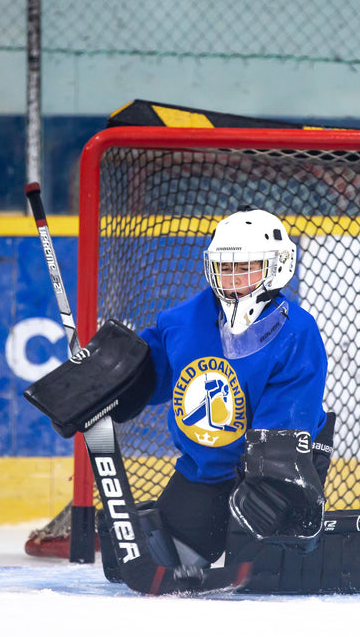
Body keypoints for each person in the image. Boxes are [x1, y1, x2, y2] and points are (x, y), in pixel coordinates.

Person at [131, 206, 332, 569]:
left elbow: (287, 422)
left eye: (245, 267)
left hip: (277, 475)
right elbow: (148, 374)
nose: (234, 279)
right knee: (164, 565)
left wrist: (271, 490)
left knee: (269, 574)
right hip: (205, 473)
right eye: (225, 268)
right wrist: (112, 379)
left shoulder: (296, 331)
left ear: (276, 266)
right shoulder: (180, 322)